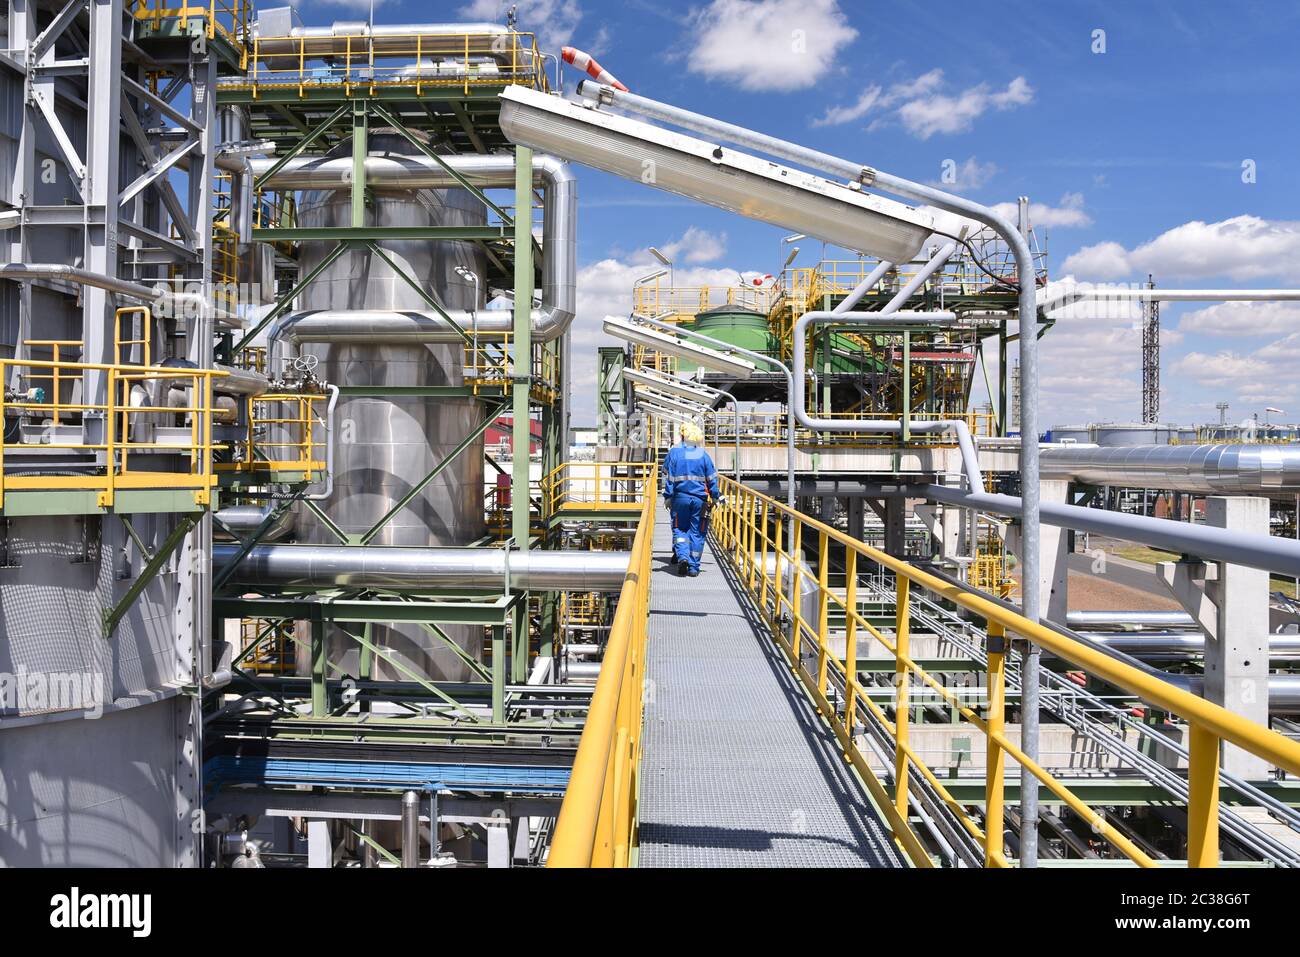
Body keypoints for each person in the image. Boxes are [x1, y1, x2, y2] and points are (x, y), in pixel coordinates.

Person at [662, 421, 722, 577]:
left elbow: (669, 477)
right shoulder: (703, 455)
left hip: (679, 498)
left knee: (680, 529)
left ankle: (682, 557)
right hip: (699, 501)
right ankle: (694, 567)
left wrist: (668, 496)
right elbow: (712, 479)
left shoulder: (675, 453)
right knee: (698, 532)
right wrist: (716, 496)